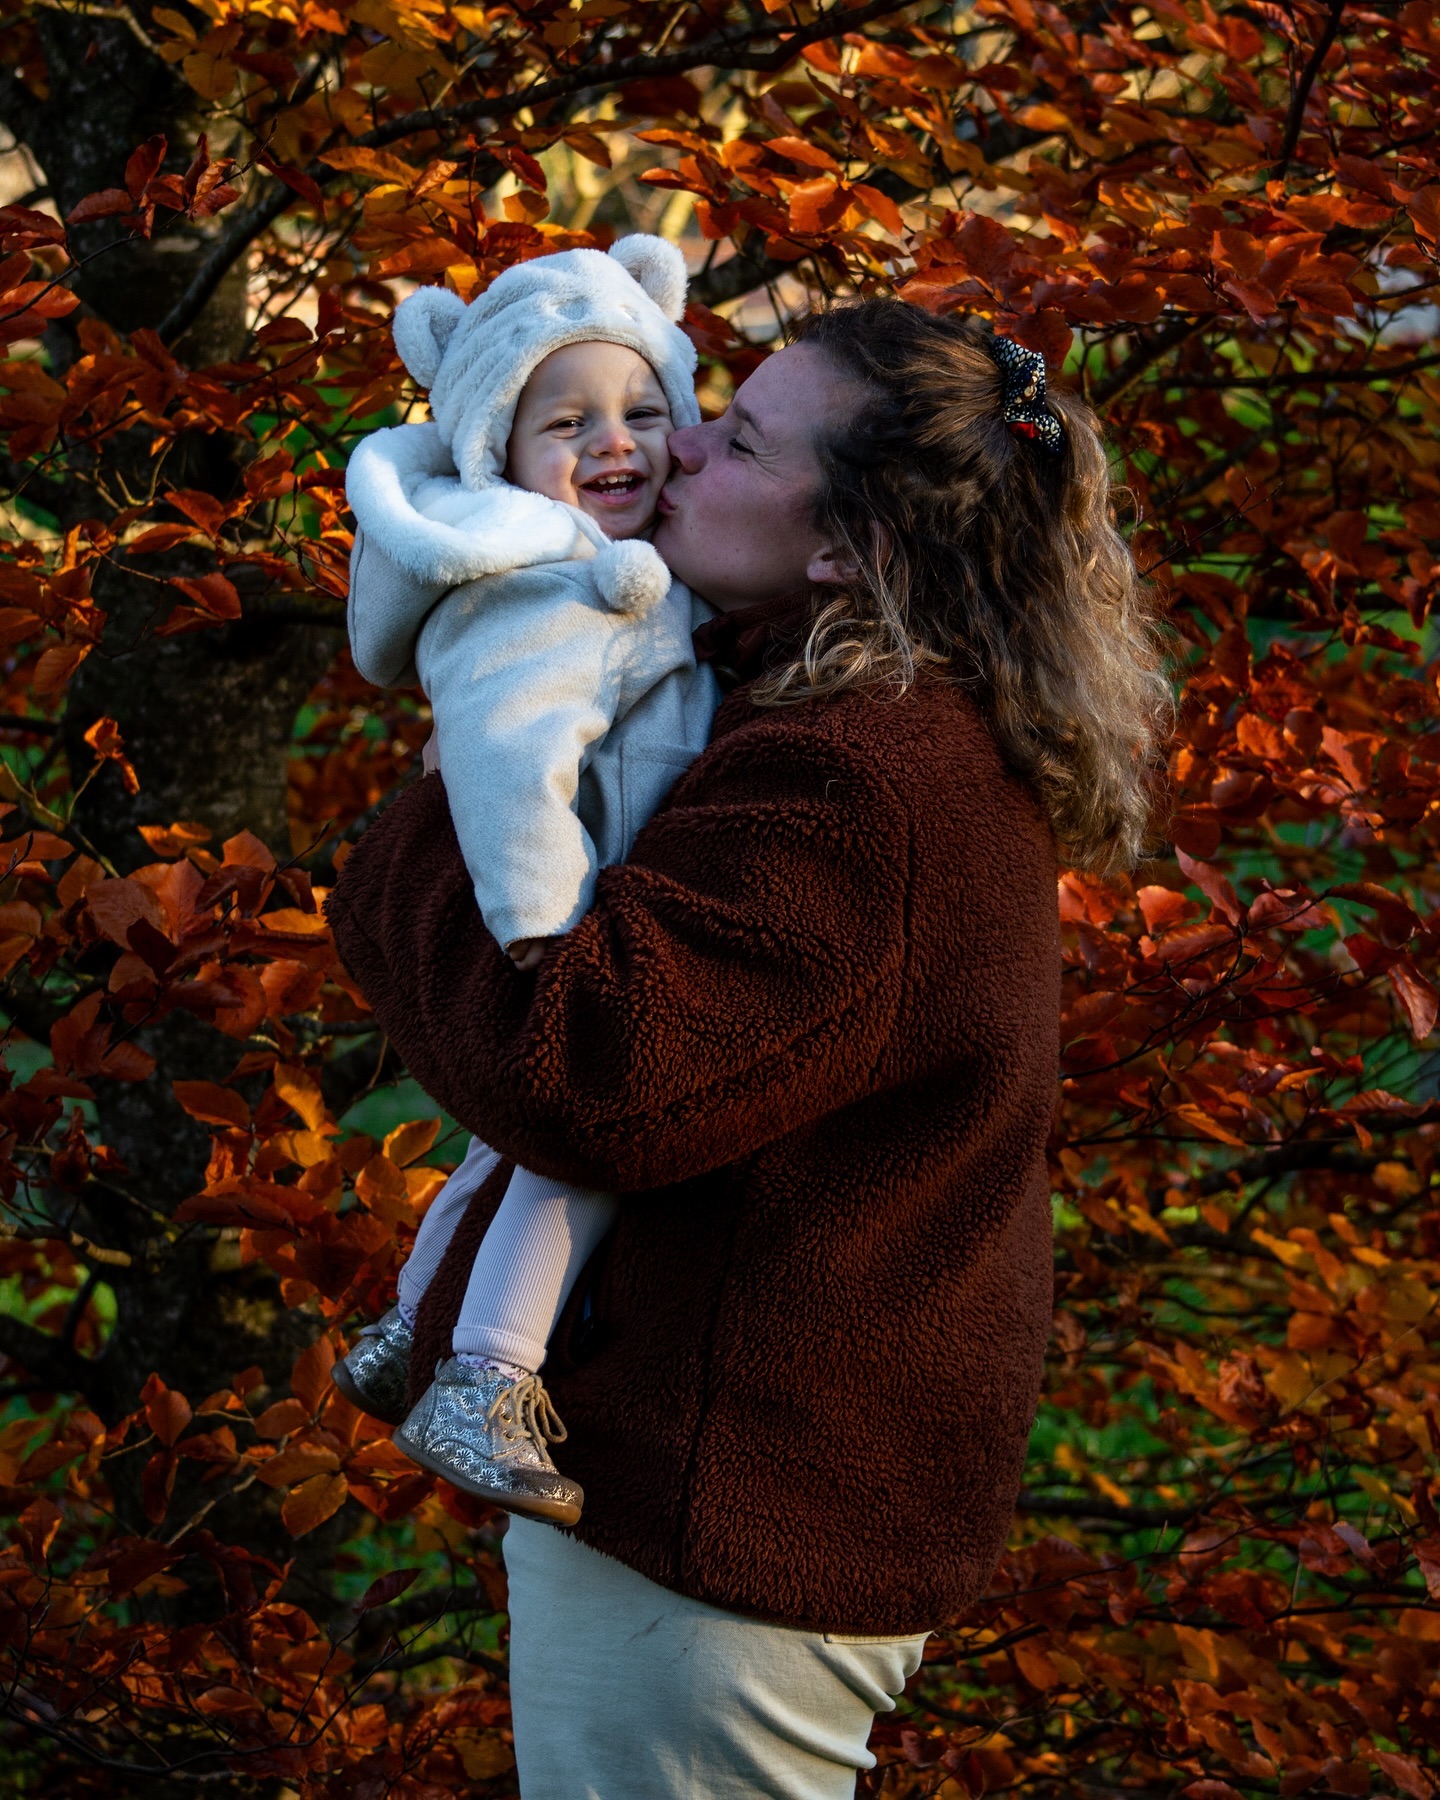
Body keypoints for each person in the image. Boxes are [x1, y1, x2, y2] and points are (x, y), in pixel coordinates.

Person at [327, 297, 1171, 1799]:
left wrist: (472, 748)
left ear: (848, 545)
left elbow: (578, 1068)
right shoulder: (822, 710)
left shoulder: (863, 780)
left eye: (743, 435)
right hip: (749, 1491)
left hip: (730, 1534)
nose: (680, 436)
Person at [333, 236, 721, 1526]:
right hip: (574, 908)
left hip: (596, 885)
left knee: (510, 1146)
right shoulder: (546, 585)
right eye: (570, 422)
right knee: (590, 1147)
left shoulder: (579, 560)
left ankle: (407, 1330)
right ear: (498, 448)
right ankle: (487, 1377)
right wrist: (550, 932)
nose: (617, 442)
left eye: (645, 410)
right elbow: (505, 762)